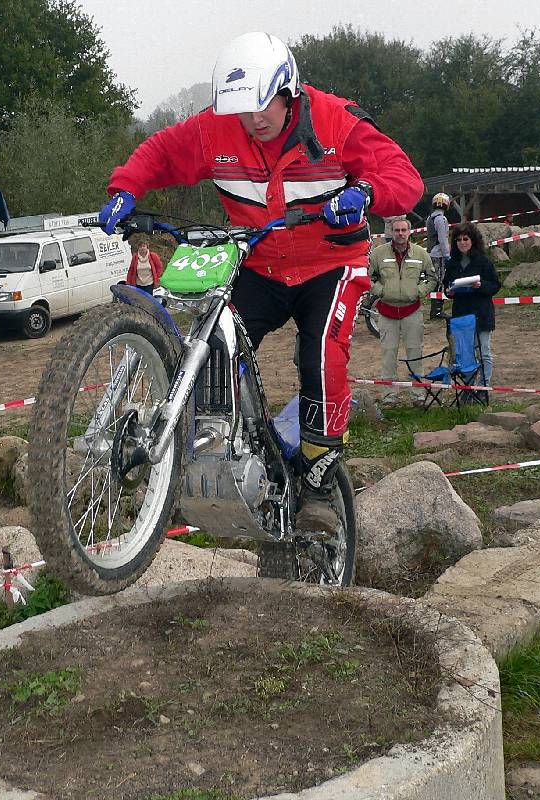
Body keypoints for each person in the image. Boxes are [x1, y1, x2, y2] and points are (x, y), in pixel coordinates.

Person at [99, 31, 424, 534]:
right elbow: (162, 151)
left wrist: (365, 193)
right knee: (211, 342)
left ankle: (319, 483)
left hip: (330, 264)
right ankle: (225, 445)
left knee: (320, 355)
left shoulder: (337, 121)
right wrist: (126, 188)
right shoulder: (216, 129)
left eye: (262, 104)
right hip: (259, 264)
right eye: (242, 110)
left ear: (288, 89)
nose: (254, 120)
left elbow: (405, 178)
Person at [370, 218, 437, 406]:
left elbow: (432, 278)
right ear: (391, 232)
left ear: (409, 232)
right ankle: (389, 396)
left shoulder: (421, 253)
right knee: (388, 353)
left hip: (412, 311)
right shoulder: (378, 254)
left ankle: (418, 394)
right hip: (387, 311)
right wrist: (381, 291)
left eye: (403, 230)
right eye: (397, 230)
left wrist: (418, 291)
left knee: (415, 352)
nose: (400, 233)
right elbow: (368, 277)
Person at [443, 222, 500, 389]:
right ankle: (468, 388)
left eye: (465, 239)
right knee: (466, 354)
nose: (462, 242)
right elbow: (446, 286)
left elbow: (495, 285)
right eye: (459, 239)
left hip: (481, 313)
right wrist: (449, 291)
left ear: (473, 240)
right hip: (461, 313)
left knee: (483, 352)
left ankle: (484, 387)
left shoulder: (484, 261)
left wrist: (480, 285)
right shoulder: (452, 263)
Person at [426, 192, 451, 319]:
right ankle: (437, 310)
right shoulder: (441, 219)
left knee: (435, 280)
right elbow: (442, 239)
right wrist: (447, 254)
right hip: (439, 254)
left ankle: (435, 309)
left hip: (430, 252)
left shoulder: (430, 218)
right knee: (440, 281)